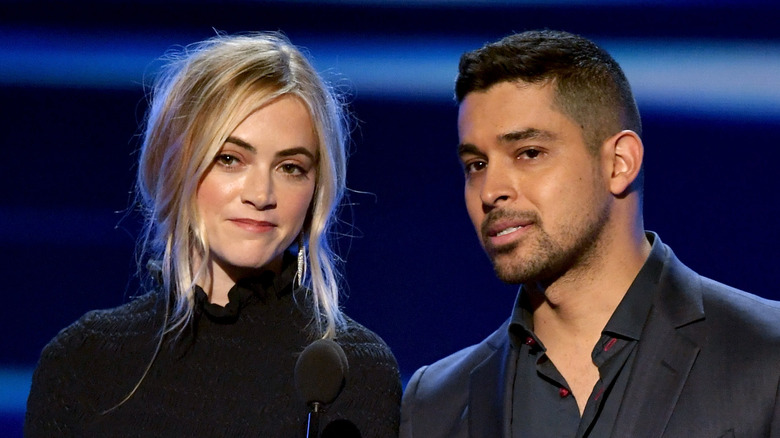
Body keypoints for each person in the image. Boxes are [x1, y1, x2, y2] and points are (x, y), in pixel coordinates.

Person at [400, 29, 780, 437]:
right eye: (476, 164)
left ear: (619, 163)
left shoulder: (766, 356)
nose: (491, 191)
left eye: (529, 153)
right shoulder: (435, 404)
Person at [25, 32, 401, 437]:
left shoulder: (351, 371)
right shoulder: (86, 361)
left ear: (316, 189)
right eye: (230, 159)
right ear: (176, 165)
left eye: (290, 167)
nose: (261, 195)